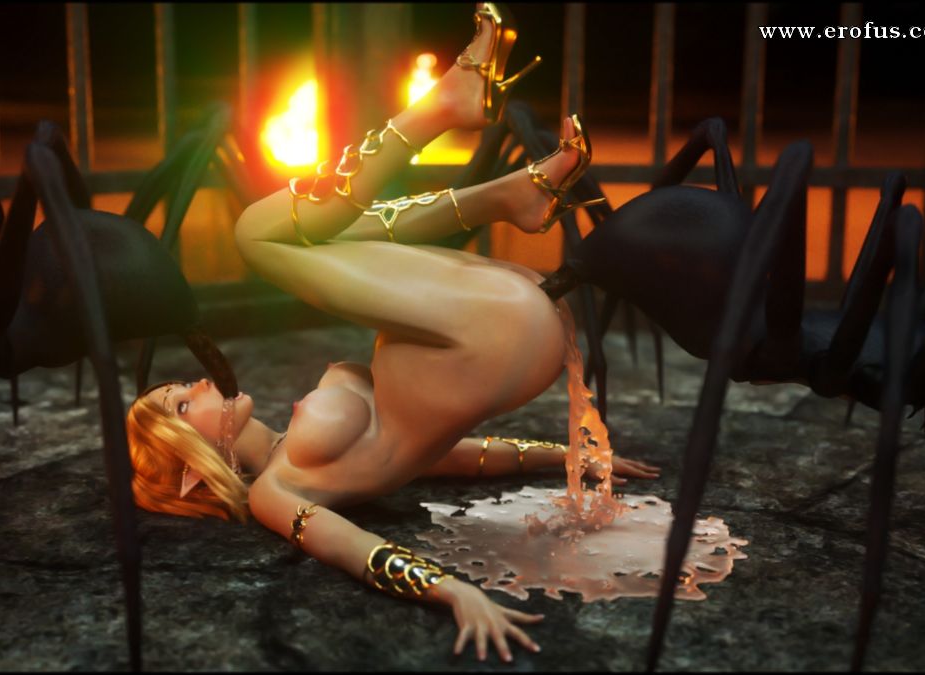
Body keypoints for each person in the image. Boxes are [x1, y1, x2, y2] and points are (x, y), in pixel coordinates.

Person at [126, 2, 659, 662]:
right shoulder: (274, 492)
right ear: (191, 472)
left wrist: (563, 455)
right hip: (487, 338)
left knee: (320, 235)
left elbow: (450, 455)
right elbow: (356, 550)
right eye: (182, 403)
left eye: (180, 387)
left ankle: (504, 191)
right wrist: (454, 593)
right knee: (256, 234)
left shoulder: (315, 452)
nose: (197, 384)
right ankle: (450, 125)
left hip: (494, 333)